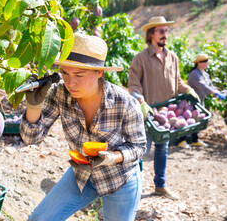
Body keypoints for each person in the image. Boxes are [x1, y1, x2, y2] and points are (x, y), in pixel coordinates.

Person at [20, 33, 147, 221]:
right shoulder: (59, 94)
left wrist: (112, 157)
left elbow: (138, 146)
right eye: (65, 73)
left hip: (119, 179)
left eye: (79, 75)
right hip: (82, 175)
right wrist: (33, 106)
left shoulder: (124, 103)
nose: (71, 83)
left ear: (99, 72)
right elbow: (31, 138)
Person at [128, 16, 200, 200]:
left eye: (167, 31)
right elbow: (134, 86)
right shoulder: (140, 59)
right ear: (151, 34)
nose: (165, 35)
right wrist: (141, 103)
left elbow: (177, 83)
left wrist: (188, 89)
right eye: (161, 31)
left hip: (167, 115)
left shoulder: (172, 57)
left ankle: (160, 186)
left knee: (162, 149)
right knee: (141, 152)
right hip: (148, 115)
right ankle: (132, 188)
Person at [177, 54, 227, 149]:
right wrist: (215, 93)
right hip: (191, 101)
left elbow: (210, 86)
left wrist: (219, 91)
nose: (206, 63)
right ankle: (182, 140)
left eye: (206, 61)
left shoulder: (205, 74)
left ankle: (195, 140)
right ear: (198, 63)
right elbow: (203, 86)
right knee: (188, 119)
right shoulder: (194, 74)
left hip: (200, 101)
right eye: (204, 61)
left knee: (197, 120)